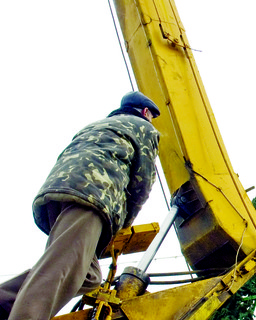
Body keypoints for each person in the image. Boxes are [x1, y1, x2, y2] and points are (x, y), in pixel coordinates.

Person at [0, 91, 161, 320]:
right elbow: (142, 181)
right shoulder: (142, 127)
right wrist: (126, 221)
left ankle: (4, 301)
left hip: (58, 193)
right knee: (61, 269)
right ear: (146, 112)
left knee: (87, 274)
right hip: (93, 194)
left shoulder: (99, 125)